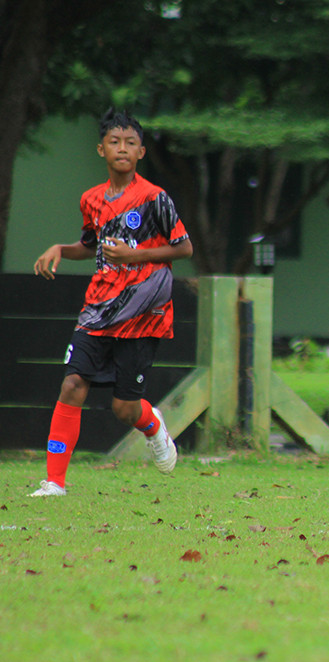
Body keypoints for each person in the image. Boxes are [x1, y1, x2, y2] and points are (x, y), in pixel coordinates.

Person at [29, 108, 193, 497]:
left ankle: (153, 426)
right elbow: (91, 246)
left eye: (130, 143)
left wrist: (134, 257)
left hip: (142, 312)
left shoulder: (155, 199)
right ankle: (54, 482)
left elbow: (184, 247)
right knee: (72, 384)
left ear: (141, 152)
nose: (122, 149)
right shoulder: (91, 199)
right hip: (98, 308)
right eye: (115, 142)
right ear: (101, 149)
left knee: (124, 409)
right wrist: (60, 249)